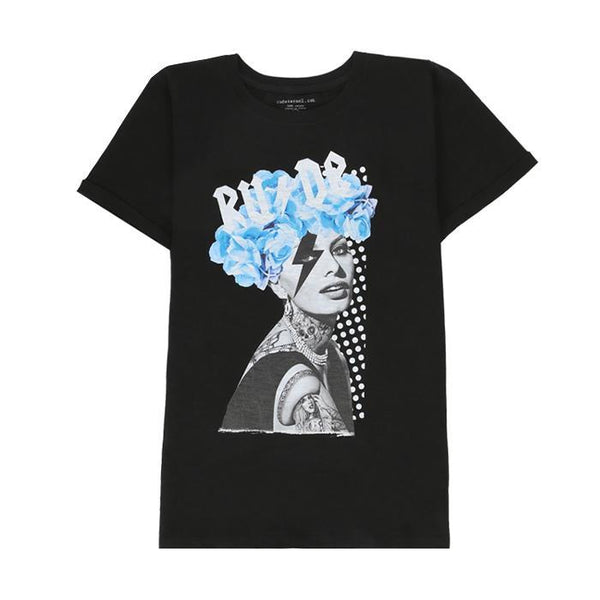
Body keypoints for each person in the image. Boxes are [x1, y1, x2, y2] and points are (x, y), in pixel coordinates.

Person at [209, 150, 377, 435]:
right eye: (308, 257)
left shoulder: (332, 353)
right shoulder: (300, 382)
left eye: (339, 249)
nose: (333, 268)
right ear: (275, 282)